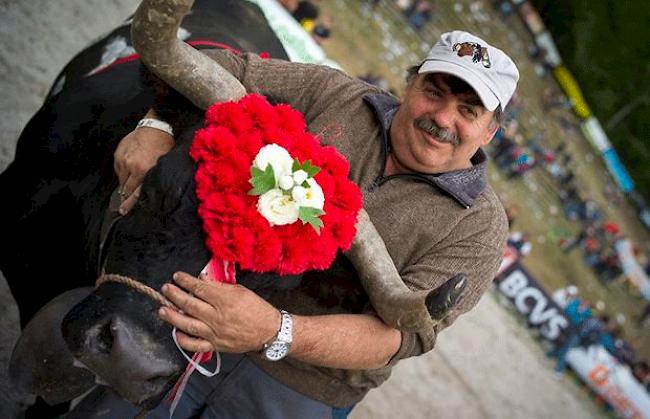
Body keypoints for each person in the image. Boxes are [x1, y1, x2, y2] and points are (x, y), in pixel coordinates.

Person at [110, 30, 519, 417]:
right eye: (434, 92)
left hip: (300, 389)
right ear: (410, 85)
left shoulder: (480, 228)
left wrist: (274, 330)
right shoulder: (337, 94)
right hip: (195, 312)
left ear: (489, 131)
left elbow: (398, 336)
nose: (444, 119)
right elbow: (216, 68)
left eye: (469, 110)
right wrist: (156, 125)